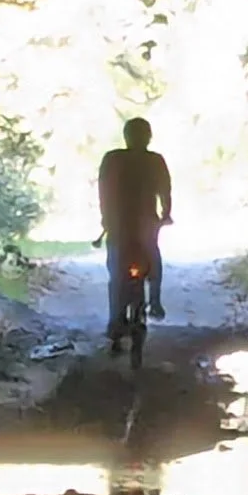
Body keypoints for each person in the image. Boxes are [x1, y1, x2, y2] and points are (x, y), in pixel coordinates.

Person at [97, 117, 173, 334]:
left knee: (116, 270)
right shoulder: (155, 160)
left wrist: (106, 216)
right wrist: (166, 215)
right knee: (152, 257)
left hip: (118, 223)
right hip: (146, 222)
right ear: (149, 137)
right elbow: (165, 191)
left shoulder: (112, 159)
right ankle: (155, 300)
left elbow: (103, 190)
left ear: (126, 136)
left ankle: (115, 319)